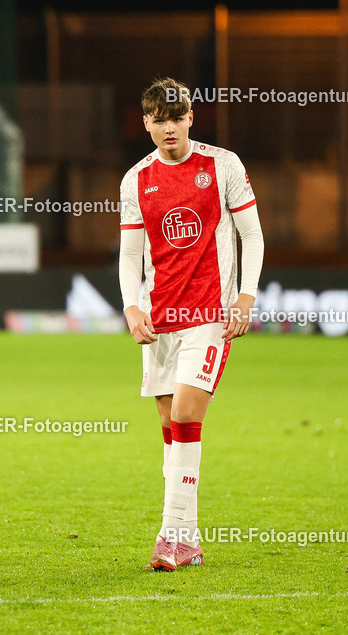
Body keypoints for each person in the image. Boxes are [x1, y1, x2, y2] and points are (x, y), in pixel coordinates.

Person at [118, 77, 264, 571]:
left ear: (191, 118)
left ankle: (169, 536)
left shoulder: (223, 165)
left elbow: (252, 235)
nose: (168, 127)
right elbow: (131, 251)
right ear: (146, 123)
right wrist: (130, 305)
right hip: (160, 318)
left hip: (209, 315)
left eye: (176, 117)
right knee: (168, 423)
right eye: (158, 119)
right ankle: (189, 539)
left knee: (184, 413)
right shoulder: (135, 179)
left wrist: (245, 298)